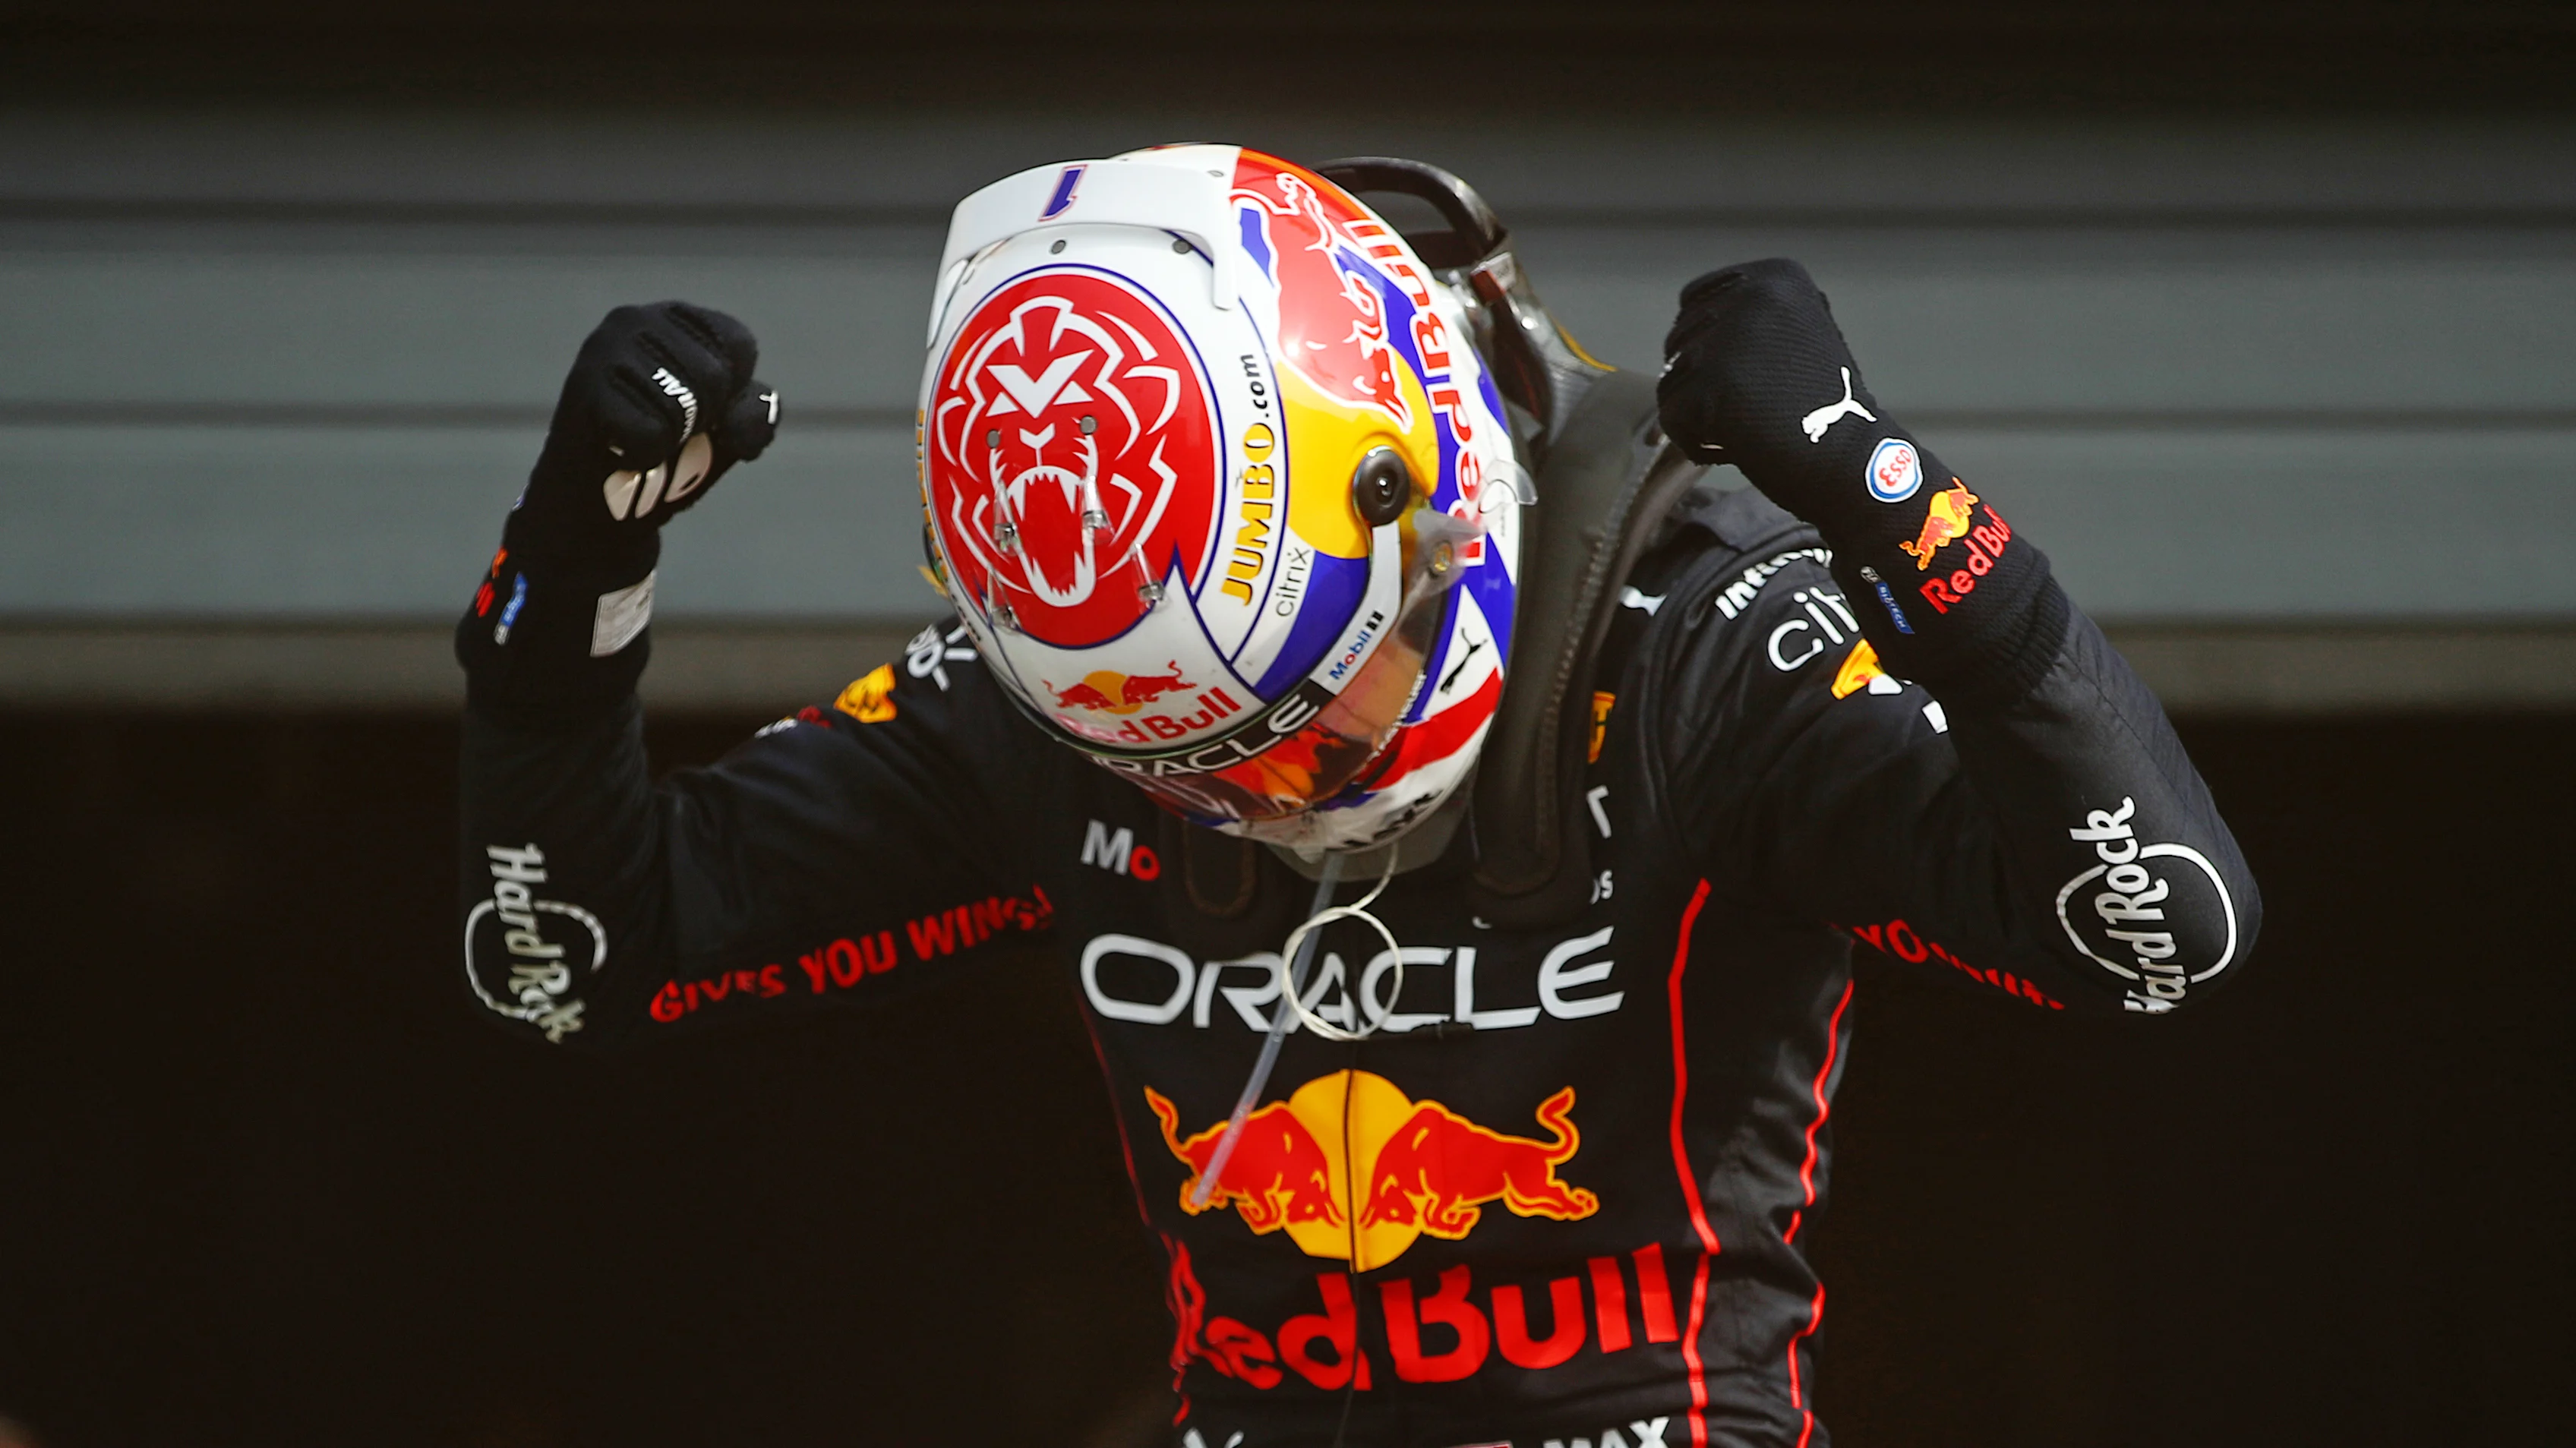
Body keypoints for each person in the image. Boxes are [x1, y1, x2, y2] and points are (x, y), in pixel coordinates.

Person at [454, 146, 2257, 1448]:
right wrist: (567, 583)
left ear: (1440, 498)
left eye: (1299, 722)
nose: (1260, 797)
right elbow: (574, 957)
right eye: (1180, 764)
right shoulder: (1056, 700)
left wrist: (1894, 504)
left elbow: (2165, 934)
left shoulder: (1697, 643)